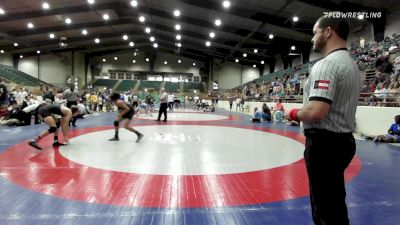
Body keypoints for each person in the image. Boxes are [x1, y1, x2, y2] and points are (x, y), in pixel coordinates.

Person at [285, 16, 361, 225]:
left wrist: (292, 114)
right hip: (344, 140)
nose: (312, 39)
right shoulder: (352, 66)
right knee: (335, 201)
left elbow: (317, 110)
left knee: (324, 208)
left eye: (314, 32)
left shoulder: (326, 65)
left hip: (325, 144)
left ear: (328, 32)